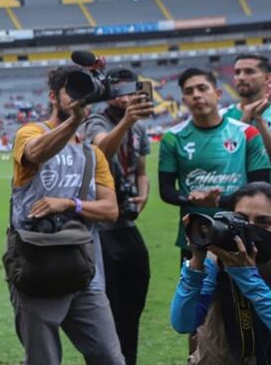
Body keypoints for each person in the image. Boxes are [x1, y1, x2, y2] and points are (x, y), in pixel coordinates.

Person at [9, 66, 125, 365]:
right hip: (37, 265)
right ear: (52, 97)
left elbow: (110, 210)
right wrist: (75, 121)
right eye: (71, 91)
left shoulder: (93, 154)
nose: (77, 99)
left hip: (85, 270)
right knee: (43, 360)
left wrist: (69, 204)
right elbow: (36, 153)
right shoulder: (30, 132)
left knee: (109, 357)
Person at [170, 182, 271, 364]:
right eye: (241, 220)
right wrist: (197, 262)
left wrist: (247, 278)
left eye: (264, 222)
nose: (249, 229)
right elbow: (184, 323)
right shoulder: (216, 260)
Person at [78, 69, 154, 365]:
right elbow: (100, 150)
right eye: (119, 90)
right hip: (102, 224)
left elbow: (142, 171)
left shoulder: (138, 128)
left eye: (131, 90)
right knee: (108, 307)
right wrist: (127, 121)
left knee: (134, 299)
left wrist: (143, 194)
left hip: (127, 220)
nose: (125, 96)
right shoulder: (98, 119)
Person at [159, 68, 271, 260]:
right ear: (184, 100)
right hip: (194, 235)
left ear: (218, 94)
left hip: (238, 232)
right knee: (195, 289)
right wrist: (190, 199)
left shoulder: (248, 134)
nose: (196, 95)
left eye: (202, 88)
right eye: (189, 92)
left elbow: (260, 187)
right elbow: (166, 190)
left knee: (241, 289)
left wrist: (219, 201)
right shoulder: (172, 138)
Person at [220, 54, 271, 193]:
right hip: (233, 200)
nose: (241, 77)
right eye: (237, 72)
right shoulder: (222, 117)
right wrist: (245, 121)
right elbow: (225, 162)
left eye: (249, 71)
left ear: (267, 78)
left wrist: (258, 119)